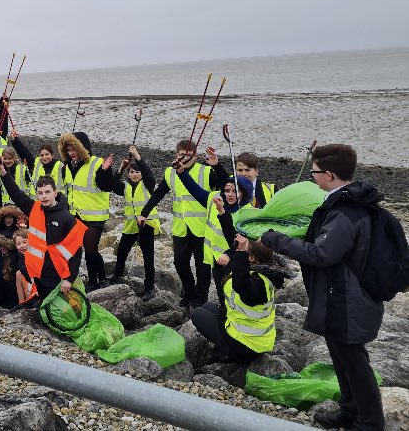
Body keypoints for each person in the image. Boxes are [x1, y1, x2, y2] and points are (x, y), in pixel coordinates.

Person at [260, 144, 385, 431]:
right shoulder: (343, 203)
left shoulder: (346, 211)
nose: (312, 177)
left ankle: (370, 423)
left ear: (328, 174)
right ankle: (350, 411)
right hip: (339, 294)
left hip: (349, 298)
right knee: (340, 356)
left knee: (354, 361)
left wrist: (275, 239)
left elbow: (322, 254)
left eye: (314, 171)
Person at [162, 147, 255, 306]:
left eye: (235, 192)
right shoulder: (216, 199)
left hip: (234, 260)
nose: (230, 194)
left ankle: (232, 320)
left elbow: (244, 240)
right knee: (221, 292)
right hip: (215, 258)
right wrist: (182, 172)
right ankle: (223, 317)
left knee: (234, 293)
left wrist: (229, 255)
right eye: (227, 191)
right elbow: (195, 190)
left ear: (244, 194)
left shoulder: (248, 212)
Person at [139, 139, 226, 307]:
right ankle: (189, 291)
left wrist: (217, 165)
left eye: (188, 155)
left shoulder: (206, 171)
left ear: (195, 156)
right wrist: (144, 213)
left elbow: (225, 184)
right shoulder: (170, 173)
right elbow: (158, 194)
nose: (184, 158)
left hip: (202, 228)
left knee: (203, 265)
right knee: (179, 262)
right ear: (176, 155)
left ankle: (200, 297)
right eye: (181, 155)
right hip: (180, 227)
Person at [0, 159, 85, 302]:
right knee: (44, 306)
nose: (44, 196)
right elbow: (16, 193)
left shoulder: (67, 218)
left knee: (58, 310)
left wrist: (69, 279)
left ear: (55, 193)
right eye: (40, 193)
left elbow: (76, 251)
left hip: (57, 275)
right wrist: (3, 172)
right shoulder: (34, 209)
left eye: (47, 192)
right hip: (37, 272)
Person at [190, 235, 286, 364]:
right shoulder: (266, 273)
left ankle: (231, 353)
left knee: (198, 314)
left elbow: (241, 285)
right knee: (208, 306)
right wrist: (223, 215)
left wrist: (241, 254)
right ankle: (227, 344)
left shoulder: (256, 284)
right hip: (259, 338)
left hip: (246, 346)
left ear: (251, 258)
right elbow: (238, 268)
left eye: (245, 250)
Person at [58, 132, 115, 291]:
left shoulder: (97, 163)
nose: (72, 153)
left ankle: (95, 281)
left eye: (74, 148)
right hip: (77, 215)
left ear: (83, 147)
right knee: (88, 250)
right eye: (68, 150)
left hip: (96, 215)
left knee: (90, 249)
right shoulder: (68, 166)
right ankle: (99, 278)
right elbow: (70, 190)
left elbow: (107, 186)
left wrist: (105, 171)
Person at [111, 146, 160, 300]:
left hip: (147, 224)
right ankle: (116, 275)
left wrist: (137, 156)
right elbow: (113, 184)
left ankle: (149, 287)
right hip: (131, 225)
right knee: (122, 252)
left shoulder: (148, 184)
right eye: (131, 172)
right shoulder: (125, 186)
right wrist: (120, 168)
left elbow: (149, 175)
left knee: (148, 257)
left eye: (136, 172)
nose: (133, 174)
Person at [12, 228, 37, 304]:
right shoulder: (21, 263)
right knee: (18, 274)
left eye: (25, 242)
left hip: (42, 294)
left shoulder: (40, 257)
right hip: (30, 298)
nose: (22, 246)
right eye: (18, 244)